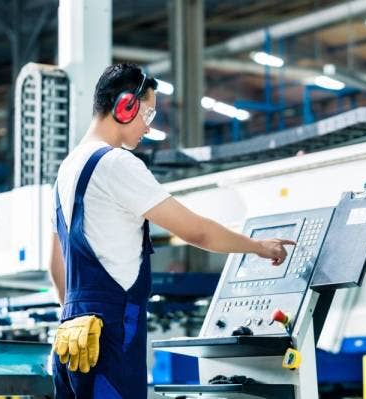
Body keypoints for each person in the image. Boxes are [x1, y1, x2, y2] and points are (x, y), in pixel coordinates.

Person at [49, 63, 295, 398]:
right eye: (147, 115)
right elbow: (198, 233)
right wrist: (257, 247)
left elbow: (56, 262)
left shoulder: (66, 170)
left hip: (72, 340)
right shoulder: (116, 164)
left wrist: (76, 317)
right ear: (125, 106)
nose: (148, 129)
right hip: (109, 337)